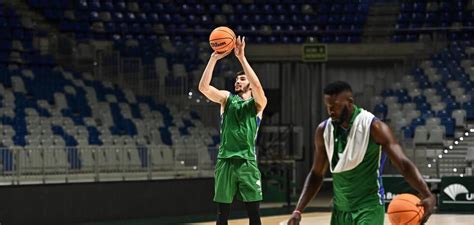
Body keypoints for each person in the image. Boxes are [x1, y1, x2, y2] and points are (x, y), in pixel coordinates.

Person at [287, 81, 435, 225]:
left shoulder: (374, 127)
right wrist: (298, 211)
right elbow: (316, 174)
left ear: (349, 102)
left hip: (369, 208)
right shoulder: (323, 131)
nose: (331, 111)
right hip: (340, 211)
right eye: (328, 107)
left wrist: (427, 193)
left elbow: (402, 164)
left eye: (335, 106)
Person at [198, 36, 267, 225]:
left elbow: (258, 86)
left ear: (249, 85)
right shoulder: (227, 99)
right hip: (225, 161)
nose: (238, 81)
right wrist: (213, 58)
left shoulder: (258, 104)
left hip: (247, 162)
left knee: (254, 215)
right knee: (222, 216)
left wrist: (241, 58)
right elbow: (203, 87)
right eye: (236, 79)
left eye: (242, 79)